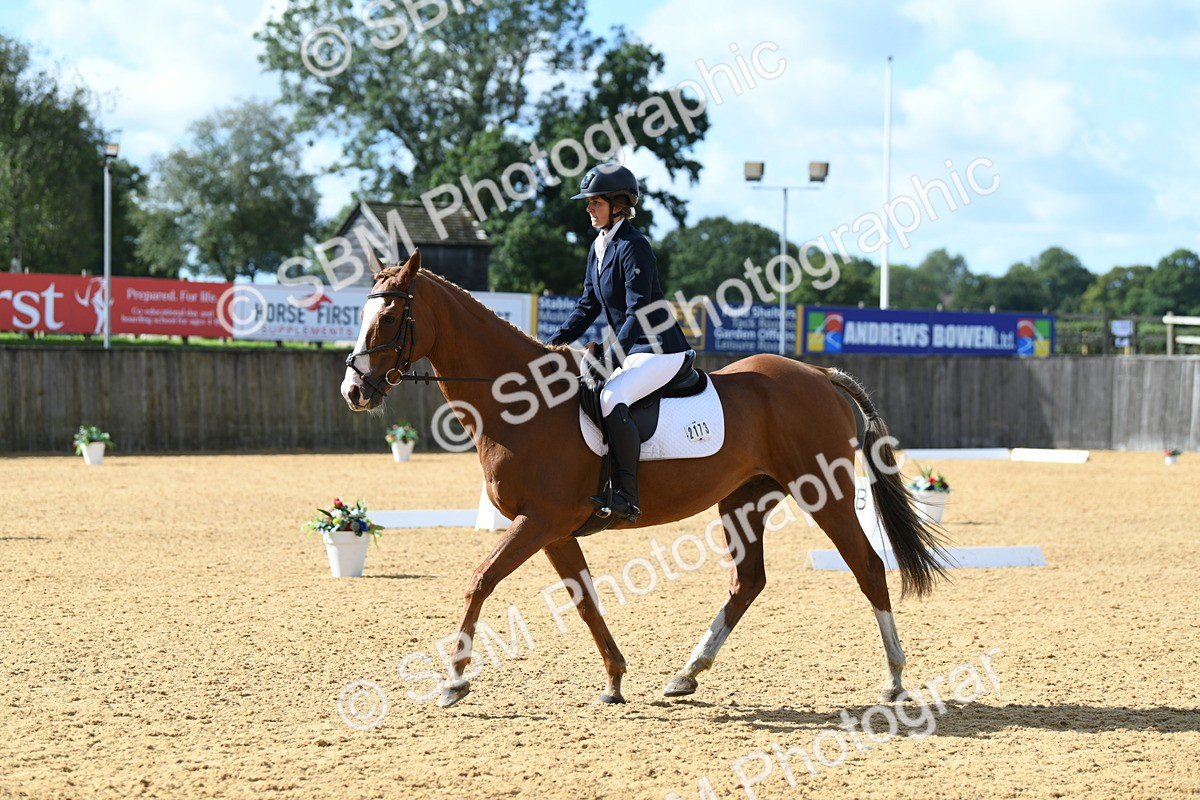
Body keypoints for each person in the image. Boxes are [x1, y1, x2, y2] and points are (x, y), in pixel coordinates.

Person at [547, 163, 691, 522]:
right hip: (634, 350)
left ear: (618, 204)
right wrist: (552, 342)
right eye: (589, 202)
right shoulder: (598, 247)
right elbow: (587, 306)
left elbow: (638, 310)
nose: (588, 209)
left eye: (594, 202)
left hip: (660, 348)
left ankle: (627, 494)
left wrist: (611, 358)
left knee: (611, 396)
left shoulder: (634, 245)